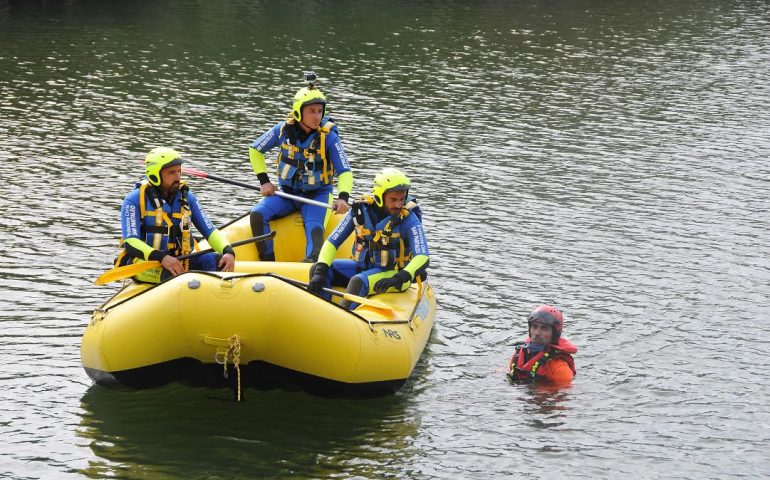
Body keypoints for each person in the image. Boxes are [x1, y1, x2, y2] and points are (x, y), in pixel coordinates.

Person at [248, 74, 352, 262]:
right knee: (256, 215)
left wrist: (343, 197)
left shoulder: (329, 137)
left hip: (317, 195)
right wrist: (264, 181)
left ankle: (310, 268)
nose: (317, 116)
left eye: (320, 111)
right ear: (298, 112)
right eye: (311, 111)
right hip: (288, 193)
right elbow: (255, 150)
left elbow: (344, 170)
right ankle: (267, 263)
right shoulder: (282, 130)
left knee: (315, 229)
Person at [307, 168, 429, 309]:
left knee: (358, 281)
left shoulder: (409, 219)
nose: (398, 205)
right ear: (379, 196)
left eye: (401, 199)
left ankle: (340, 320)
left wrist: (402, 276)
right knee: (317, 269)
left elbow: (423, 256)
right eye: (393, 199)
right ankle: (318, 311)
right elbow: (332, 242)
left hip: (394, 274)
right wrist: (320, 271)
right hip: (364, 267)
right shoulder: (360, 211)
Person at [116, 147, 235, 283]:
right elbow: (131, 242)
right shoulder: (134, 200)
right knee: (172, 275)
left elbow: (210, 230)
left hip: (181, 259)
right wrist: (162, 258)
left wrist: (228, 251)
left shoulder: (187, 198)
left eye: (179, 171)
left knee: (219, 262)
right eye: (171, 172)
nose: (177, 176)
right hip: (146, 263)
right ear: (156, 174)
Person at [507, 305, 577, 384]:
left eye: (544, 328)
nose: (537, 333)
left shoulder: (560, 369)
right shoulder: (518, 354)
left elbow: (563, 394)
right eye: (534, 326)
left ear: (554, 334)